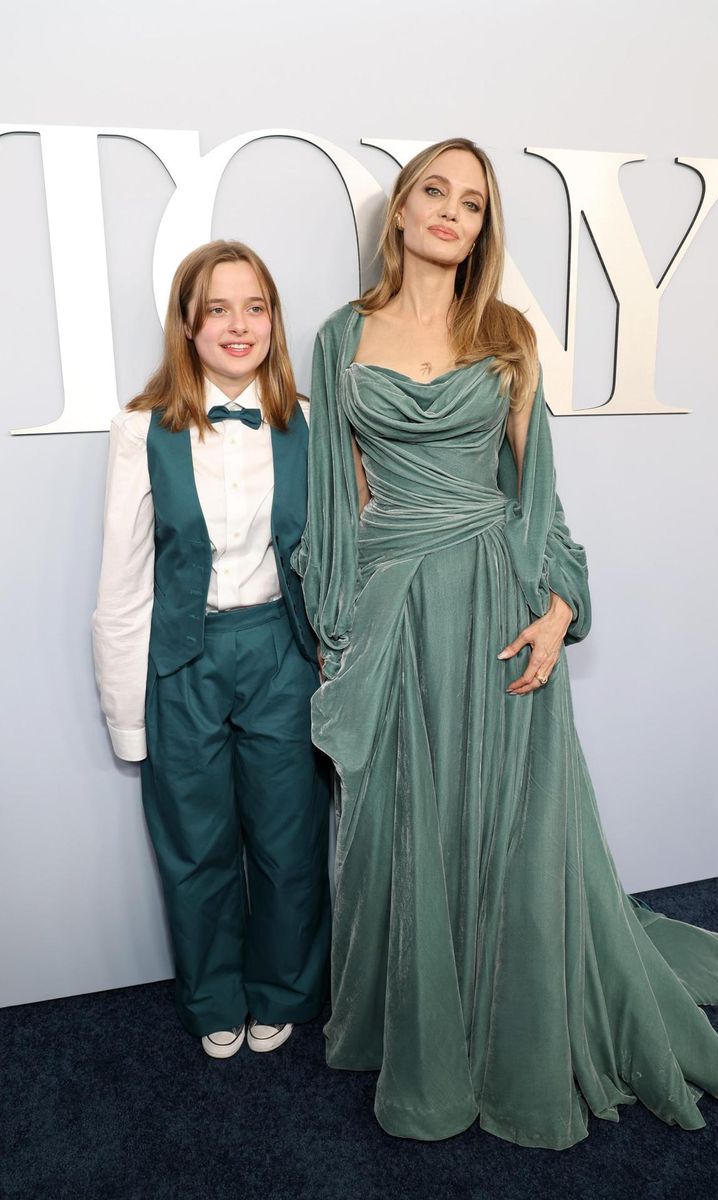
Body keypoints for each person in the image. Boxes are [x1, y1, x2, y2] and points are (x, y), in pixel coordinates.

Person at [293, 139, 718, 1147]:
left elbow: (536, 494)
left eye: (472, 203)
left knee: (506, 820)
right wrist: (340, 628)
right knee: (402, 820)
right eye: (434, 193)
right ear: (399, 213)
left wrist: (560, 606)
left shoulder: (510, 335)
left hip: (495, 600)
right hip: (396, 608)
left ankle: (512, 1019)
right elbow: (334, 500)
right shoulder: (337, 337)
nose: (451, 213)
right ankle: (422, 1029)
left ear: (484, 229)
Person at [93, 240, 330, 1059]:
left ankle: (287, 989)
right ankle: (212, 997)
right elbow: (121, 585)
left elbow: (340, 556)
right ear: (188, 325)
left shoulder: (310, 419)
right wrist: (129, 719)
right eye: (218, 308)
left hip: (281, 652)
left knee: (289, 837)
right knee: (195, 844)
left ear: (274, 320)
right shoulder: (139, 429)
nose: (239, 324)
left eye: (255, 306)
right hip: (183, 659)